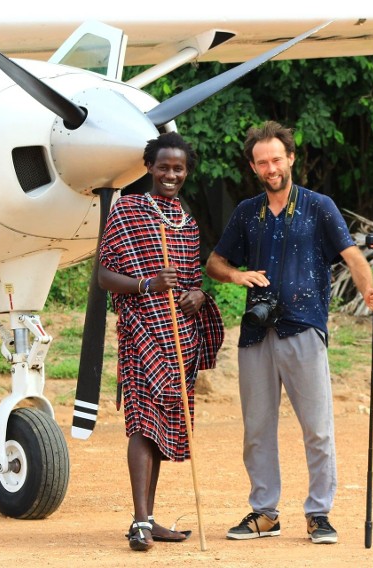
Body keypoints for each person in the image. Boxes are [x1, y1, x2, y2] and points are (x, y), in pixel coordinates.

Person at [206, 120, 373, 545]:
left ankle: (319, 513)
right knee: (257, 429)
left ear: (290, 158)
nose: (271, 167)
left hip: (304, 329)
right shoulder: (246, 212)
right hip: (256, 334)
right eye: (262, 161)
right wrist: (237, 275)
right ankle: (265, 513)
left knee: (317, 427)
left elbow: (354, 257)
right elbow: (214, 263)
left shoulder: (319, 206)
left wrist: (369, 292)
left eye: (276, 159)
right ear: (253, 166)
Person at [97, 131, 224, 552]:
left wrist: (198, 295)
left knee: (165, 427)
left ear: (186, 172)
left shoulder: (186, 225)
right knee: (142, 423)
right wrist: (148, 284)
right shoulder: (128, 210)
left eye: (179, 168)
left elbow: (192, 282)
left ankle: (149, 519)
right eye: (164, 167)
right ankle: (138, 522)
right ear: (149, 168)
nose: (171, 174)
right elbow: (104, 276)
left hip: (178, 340)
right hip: (141, 334)